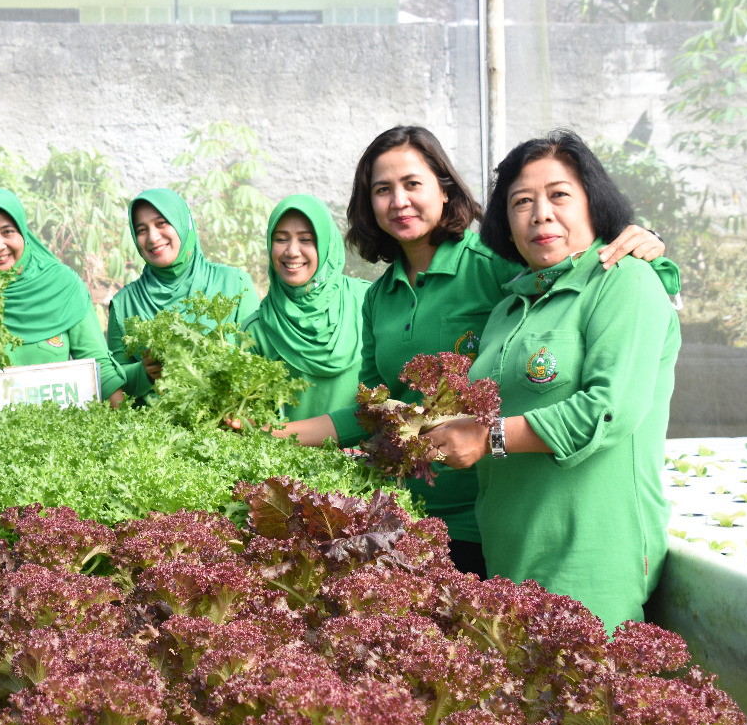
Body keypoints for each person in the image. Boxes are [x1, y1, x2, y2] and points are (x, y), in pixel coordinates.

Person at [275, 126, 668, 579]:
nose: (398, 201)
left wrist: (646, 245)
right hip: (406, 510)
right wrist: (274, 434)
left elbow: (578, 266)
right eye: (382, 190)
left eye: (412, 184)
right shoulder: (379, 296)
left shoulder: (494, 262)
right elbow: (375, 409)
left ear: (444, 189)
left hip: (486, 509)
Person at [425, 130, 680, 635]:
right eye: (522, 201)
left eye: (559, 194)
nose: (540, 213)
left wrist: (488, 436)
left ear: (594, 204)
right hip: (509, 551)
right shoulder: (509, 308)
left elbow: (608, 410)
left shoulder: (624, 282)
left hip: (589, 555)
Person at [0, 188, 127, 412]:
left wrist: (123, 430)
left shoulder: (63, 285)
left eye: (7, 232)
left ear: (23, 232)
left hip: (54, 439)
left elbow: (99, 366)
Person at [106, 188, 259, 400]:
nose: (152, 237)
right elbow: (113, 381)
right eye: (141, 230)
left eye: (162, 223)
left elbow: (259, 362)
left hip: (226, 427)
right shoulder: (124, 303)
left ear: (183, 223)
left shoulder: (234, 282)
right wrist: (144, 372)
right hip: (154, 429)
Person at [243, 194, 369, 420]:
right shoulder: (255, 331)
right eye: (281, 239)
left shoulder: (367, 301)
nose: (292, 251)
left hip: (370, 454)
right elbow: (259, 423)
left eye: (306, 239)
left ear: (327, 244)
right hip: (290, 454)